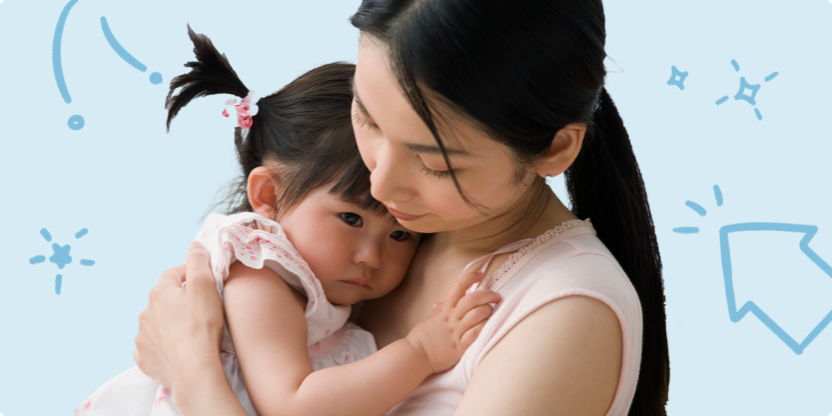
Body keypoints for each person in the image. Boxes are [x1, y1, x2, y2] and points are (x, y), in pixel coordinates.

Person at [134, 1, 670, 415]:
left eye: (435, 163)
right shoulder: (362, 232)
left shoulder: (563, 317)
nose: (381, 183)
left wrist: (193, 371)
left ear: (555, 149)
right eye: (367, 118)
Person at [77, 27, 501, 416]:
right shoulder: (260, 273)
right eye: (350, 218)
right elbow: (293, 405)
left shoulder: (313, 286)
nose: (372, 256)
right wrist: (421, 351)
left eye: (399, 234)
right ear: (269, 196)